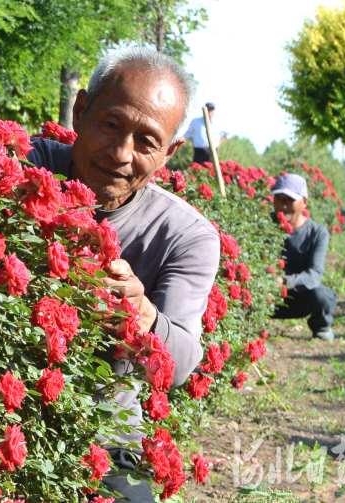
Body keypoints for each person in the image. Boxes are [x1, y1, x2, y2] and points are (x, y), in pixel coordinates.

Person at [26, 47, 220, 502]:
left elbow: (183, 361)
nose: (120, 153)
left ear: (170, 152)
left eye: (147, 141)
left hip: (99, 427)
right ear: (80, 112)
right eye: (110, 125)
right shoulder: (21, 165)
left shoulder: (187, 235)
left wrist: (145, 318)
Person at [271, 174, 337, 339]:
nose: (282, 205)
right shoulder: (263, 226)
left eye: (289, 200)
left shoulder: (317, 233)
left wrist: (284, 281)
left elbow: (314, 275)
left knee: (321, 296)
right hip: (267, 296)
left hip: (297, 297)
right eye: (278, 199)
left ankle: (320, 326)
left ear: (304, 202)